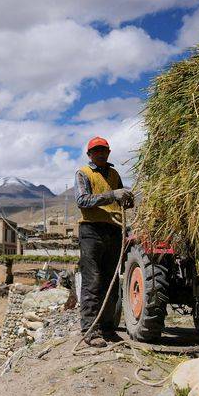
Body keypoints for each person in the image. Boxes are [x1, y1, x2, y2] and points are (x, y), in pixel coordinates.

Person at [74, 136, 134, 347]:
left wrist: (126, 198)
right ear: (89, 154)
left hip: (114, 230)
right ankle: (90, 330)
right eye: (96, 151)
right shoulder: (83, 173)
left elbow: (119, 200)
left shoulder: (114, 174)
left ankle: (108, 329)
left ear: (108, 153)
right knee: (93, 281)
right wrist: (112, 195)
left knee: (112, 281)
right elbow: (82, 200)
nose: (100, 153)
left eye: (103, 150)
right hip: (91, 231)